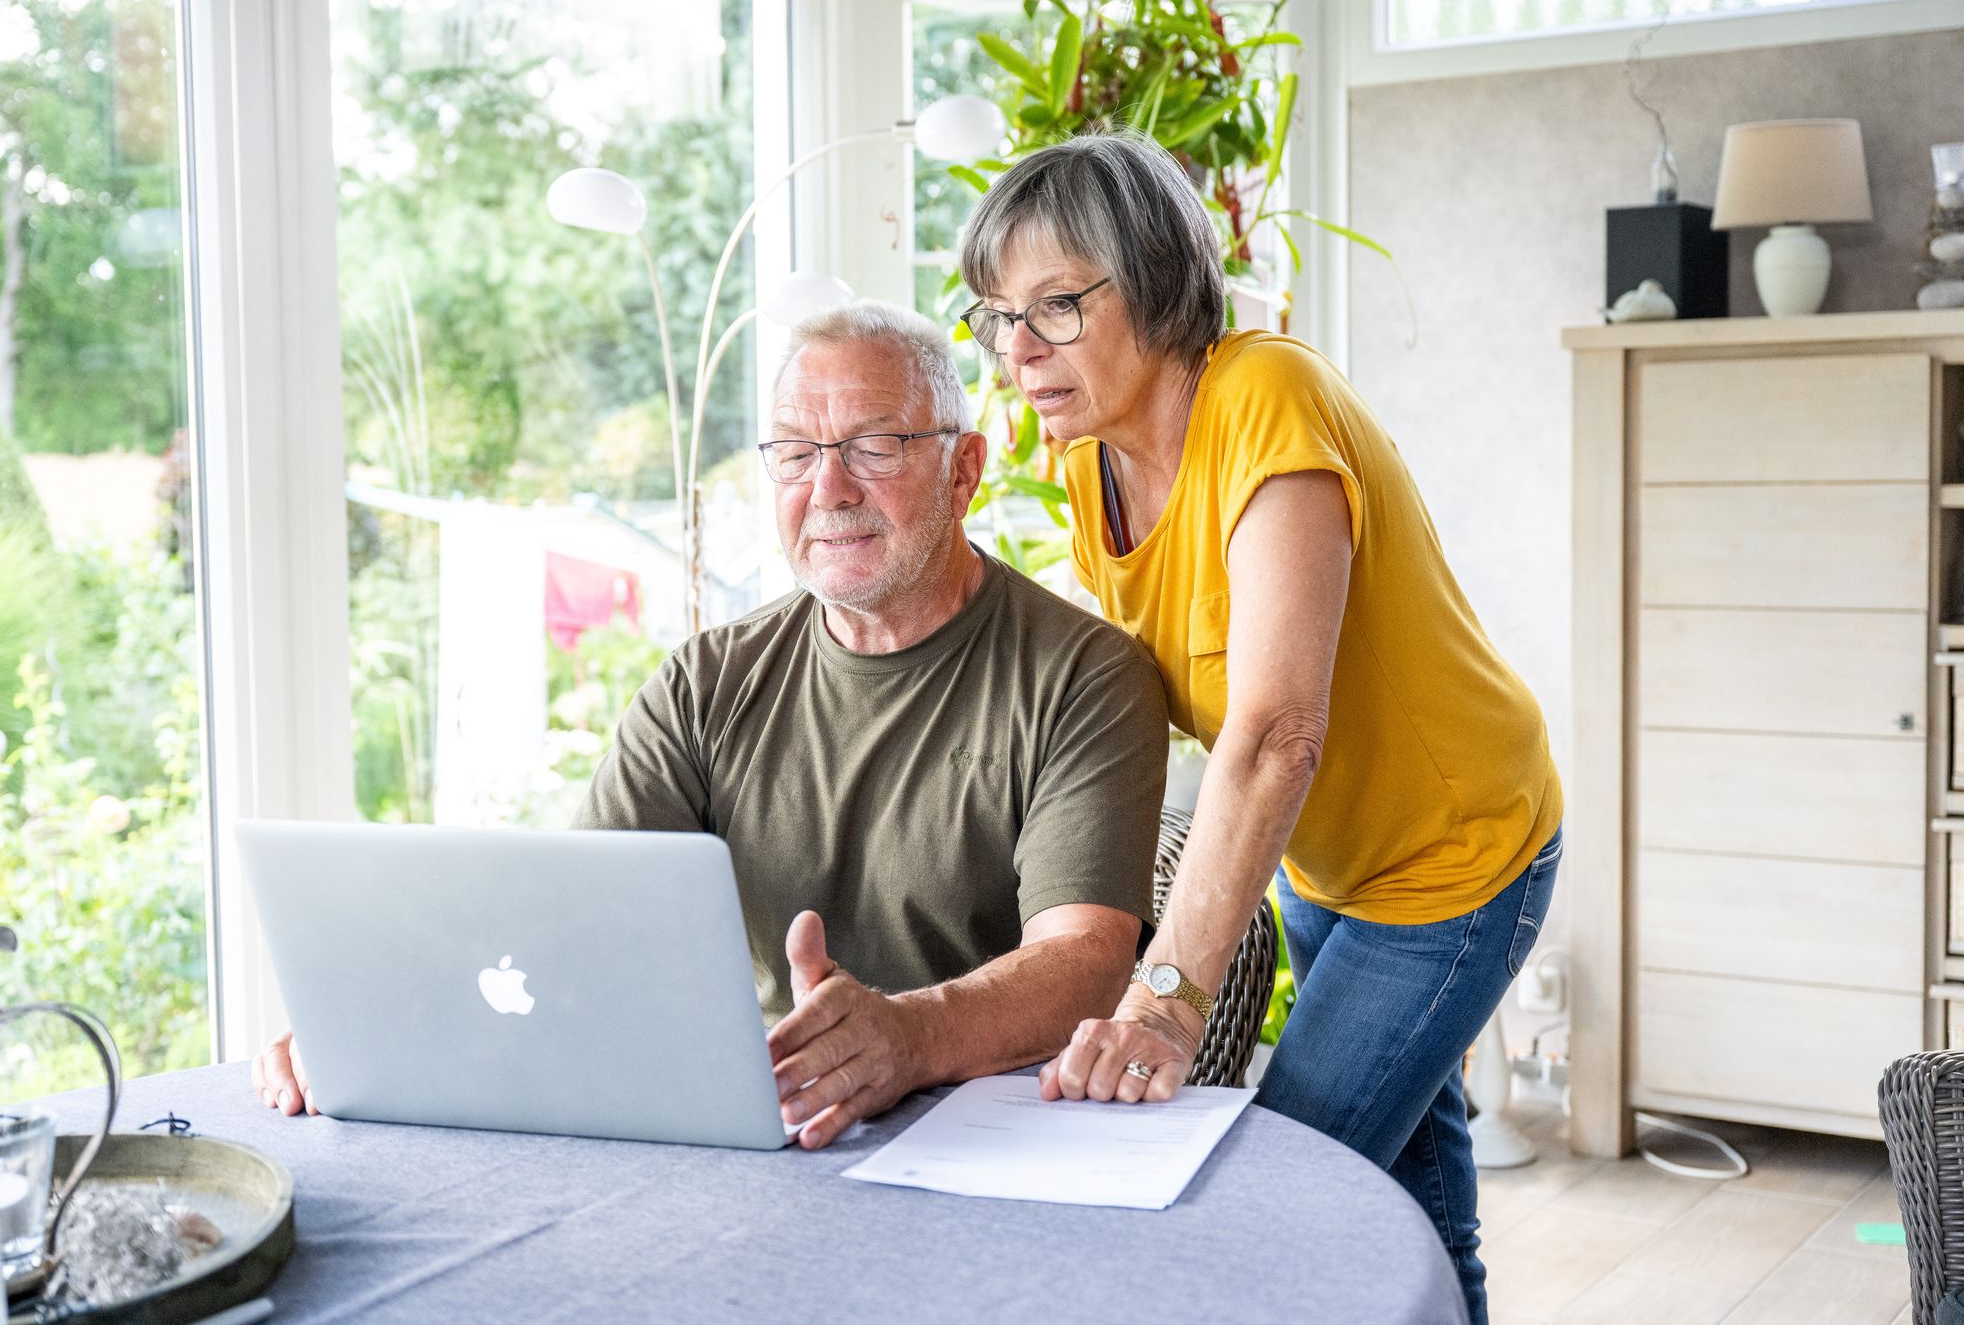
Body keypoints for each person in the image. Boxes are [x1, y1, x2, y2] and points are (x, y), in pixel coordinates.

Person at [251, 301, 1172, 1151]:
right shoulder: (705, 682)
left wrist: (910, 1034)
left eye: (875, 446)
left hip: (992, 1142)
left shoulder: (1085, 676)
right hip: (753, 1126)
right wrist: (381, 1017)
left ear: (964, 469)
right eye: (796, 453)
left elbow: (1084, 962)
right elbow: (568, 920)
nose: (830, 487)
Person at [956, 132, 1561, 1325]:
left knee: (1284, 1185)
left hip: (1453, 856)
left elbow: (1275, 730)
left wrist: (1164, 997)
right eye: (994, 316)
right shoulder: (1094, 466)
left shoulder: (1263, 400)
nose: (1017, 349)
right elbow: (1133, 694)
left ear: (1157, 279)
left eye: (1055, 308)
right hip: (1324, 865)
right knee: (1419, 1214)